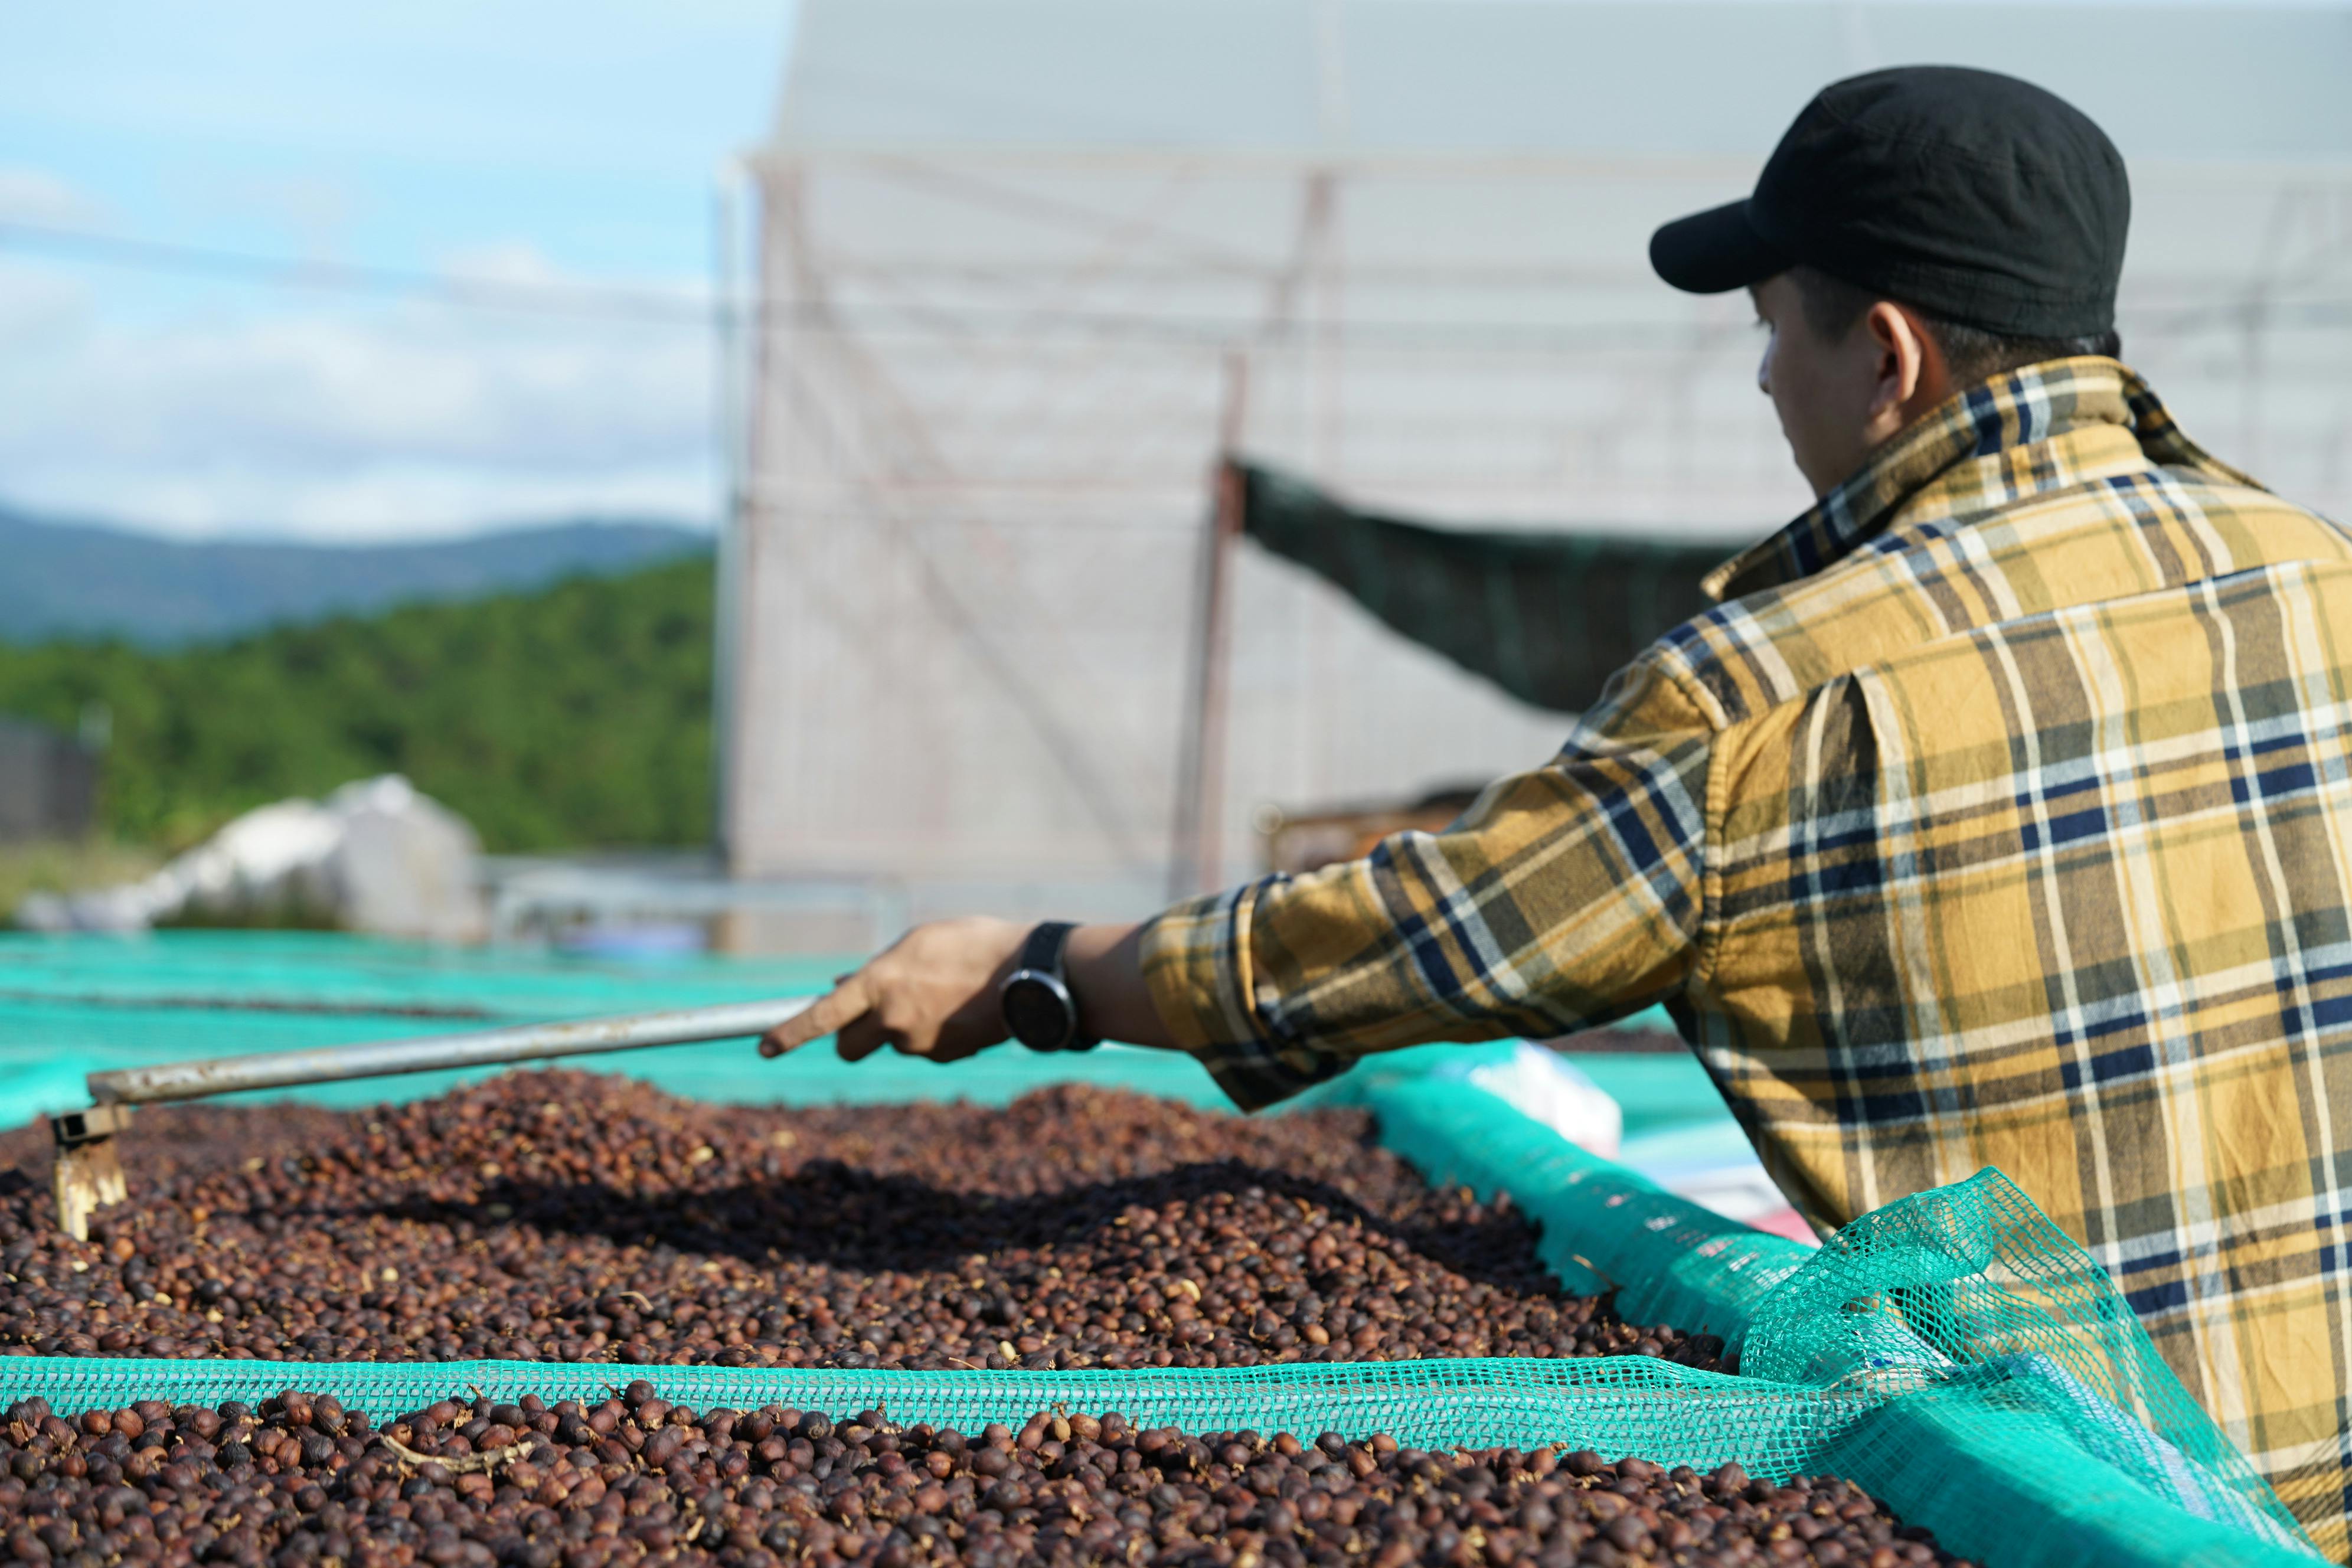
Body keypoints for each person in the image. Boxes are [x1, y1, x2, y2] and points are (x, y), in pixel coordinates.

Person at [762, 66, 2352, 1555]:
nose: (1760, 373)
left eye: (1774, 329)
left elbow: (1427, 941)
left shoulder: (1768, 695)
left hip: (2086, 1503)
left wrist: (1049, 964)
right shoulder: (2328, 585)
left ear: (1886, 354)